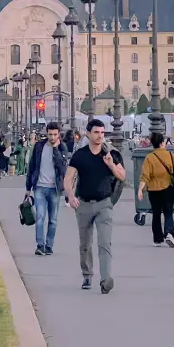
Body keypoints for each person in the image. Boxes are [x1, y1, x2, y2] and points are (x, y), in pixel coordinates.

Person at [64, 118, 125, 293]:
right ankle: (87, 275)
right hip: (83, 204)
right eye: (96, 132)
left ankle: (105, 280)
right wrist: (70, 195)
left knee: (105, 243)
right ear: (88, 134)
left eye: (102, 133)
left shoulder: (109, 154)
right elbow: (69, 177)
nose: (100, 136)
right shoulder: (80, 155)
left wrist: (111, 165)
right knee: (85, 243)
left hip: (104, 204)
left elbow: (122, 176)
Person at [26, 122, 68, 256]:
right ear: (46, 133)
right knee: (40, 217)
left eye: (55, 134)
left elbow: (63, 169)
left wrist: (56, 150)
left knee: (53, 220)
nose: (52, 137)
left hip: (54, 188)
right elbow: (32, 167)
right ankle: (40, 245)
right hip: (39, 187)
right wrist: (28, 187)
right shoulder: (39, 146)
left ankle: (49, 245)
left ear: (59, 135)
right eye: (50, 134)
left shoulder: (62, 147)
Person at [138, 132, 174, 248]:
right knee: (168, 212)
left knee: (156, 213)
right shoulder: (171, 155)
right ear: (163, 143)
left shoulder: (149, 158)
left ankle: (157, 239)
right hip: (168, 188)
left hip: (153, 189)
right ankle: (169, 234)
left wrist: (140, 189)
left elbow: (145, 175)